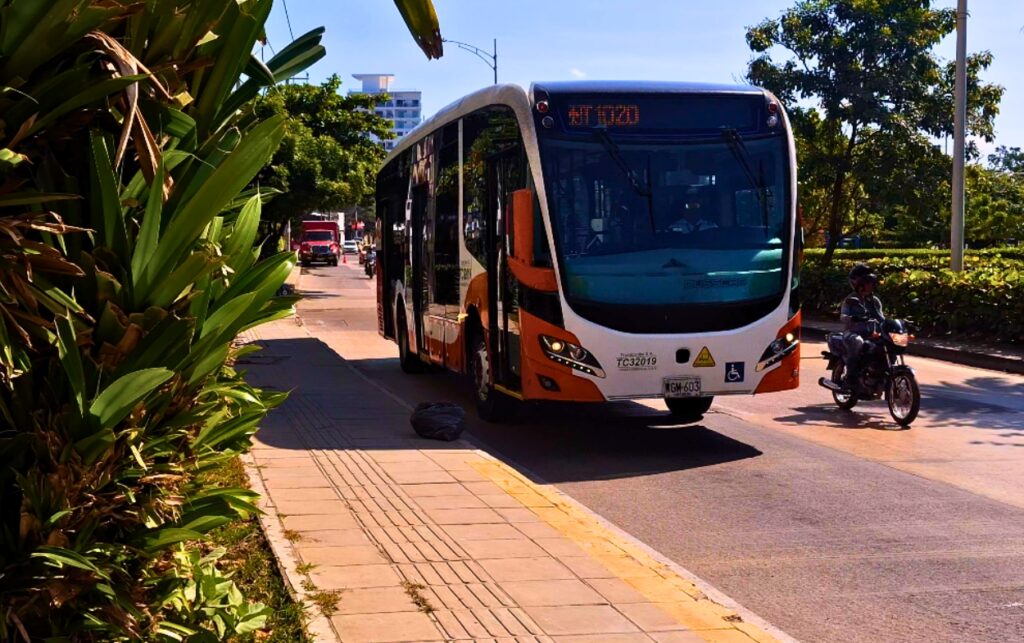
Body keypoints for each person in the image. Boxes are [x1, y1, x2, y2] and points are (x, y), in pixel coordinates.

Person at [839, 263, 885, 394]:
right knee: (858, 342)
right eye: (868, 282)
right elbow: (843, 316)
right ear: (859, 284)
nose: (871, 285)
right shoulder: (851, 299)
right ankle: (851, 378)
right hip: (852, 333)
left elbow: (881, 317)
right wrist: (852, 318)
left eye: (872, 282)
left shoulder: (875, 301)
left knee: (886, 345)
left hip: (872, 334)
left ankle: (879, 375)